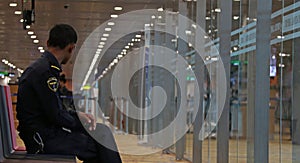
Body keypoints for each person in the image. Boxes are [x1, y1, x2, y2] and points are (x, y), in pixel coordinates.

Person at [16, 24, 122, 163]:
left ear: (48, 43)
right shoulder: (46, 73)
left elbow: (54, 110)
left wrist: (79, 117)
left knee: (101, 133)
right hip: (41, 139)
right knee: (96, 143)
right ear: (71, 48)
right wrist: (80, 122)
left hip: (43, 132)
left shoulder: (43, 68)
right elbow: (56, 115)